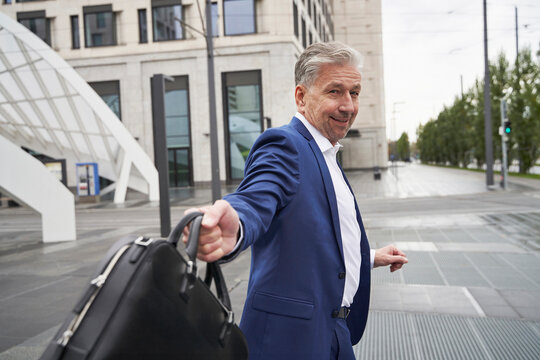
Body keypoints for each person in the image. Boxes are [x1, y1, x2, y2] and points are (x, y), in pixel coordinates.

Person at [185, 42, 408, 360]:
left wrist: (369, 256)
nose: (348, 106)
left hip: (334, 332)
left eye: (354, 93)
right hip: (288, 341)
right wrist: (235, 225)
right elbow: (257, 197)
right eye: (335, 91)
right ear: (301, 97)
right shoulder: (284, 145)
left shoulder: (327, 151)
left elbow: (317, 232)